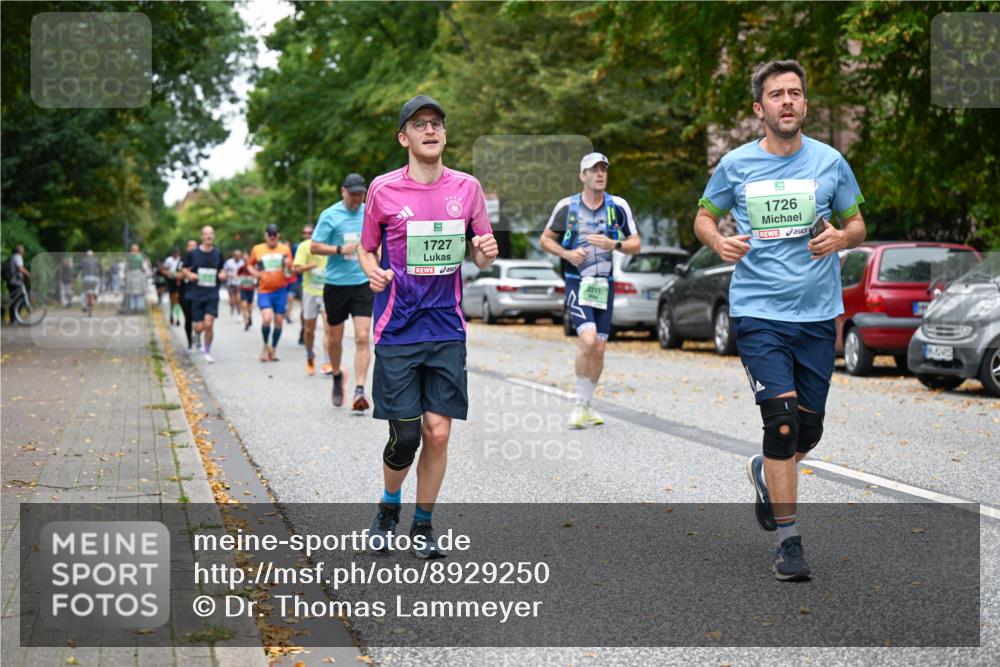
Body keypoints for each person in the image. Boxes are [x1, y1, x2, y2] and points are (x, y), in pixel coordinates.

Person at [694, 60, 866, 582]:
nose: (786, 101)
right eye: (776, 94)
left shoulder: (831, 162)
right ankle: (790, 544)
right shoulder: (737, 164)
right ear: (759, 108)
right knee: (782, 422)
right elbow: (703, 215)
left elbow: (857, 222)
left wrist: (843, 237)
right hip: (757, 311)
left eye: (795, 93)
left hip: (817, 316)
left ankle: (766, 474)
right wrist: (717, 239)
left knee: (806, 431)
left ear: (805, 104)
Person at [358, 95, 498, 558]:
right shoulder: (382, 189)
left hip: (446, 327)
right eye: (419, 124)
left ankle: (422, 525)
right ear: (404, 138)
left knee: (438, 431)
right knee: (406, 436)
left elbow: (478, 250)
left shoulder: (468, 188)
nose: (430, 130)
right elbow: (366, 248)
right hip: (397, 328)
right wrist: (372, 270)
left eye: (437, 123)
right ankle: (387, 506)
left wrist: (485, 252)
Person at [540, 152, 640, 429]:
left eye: (603, 170)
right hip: (577, 282)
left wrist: (613, 245)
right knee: (588, 339)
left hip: (604, 285)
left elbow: (636, 243)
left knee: (600, 347)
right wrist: (567, 253)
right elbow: (546, 239)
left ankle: (586, 403)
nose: (600, 174)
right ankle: (579, 405)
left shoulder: (617, 206)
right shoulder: (567, 207)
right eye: (593, 170)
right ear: (582, 175)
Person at [311, 173, 373, 406]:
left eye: (360, 194)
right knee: (334, 340)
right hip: (336, 285)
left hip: (362, 283)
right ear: (343, 191)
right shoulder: (330, 215)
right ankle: (337, 375)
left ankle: (359, 390)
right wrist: (339, 249)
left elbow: (377, 242)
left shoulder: (369, 213)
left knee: (362, 336)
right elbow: (315, 247)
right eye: (353, 194)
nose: (357, 198)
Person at [293, 224, 334, 376]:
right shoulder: (304, 247)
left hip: (326, 292)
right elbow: (296, 269)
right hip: (309, 291)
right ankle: (310, 355)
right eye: (306, 233)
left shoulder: (329, 245)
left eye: (311, 232)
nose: (308, 234)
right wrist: (311, 265)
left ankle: (327, 361)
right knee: (309, 329)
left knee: (329, 327)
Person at [248, 224, 294, 361]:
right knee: (267, 318)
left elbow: (290, 268)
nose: (272, 237)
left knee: (279, 322)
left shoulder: (285, 249)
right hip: (264, 290)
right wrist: (256, 273)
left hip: (280, 290)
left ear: (278, 235)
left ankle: (273, 349)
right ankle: (265, 346)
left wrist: (288, 264)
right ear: (265, 235)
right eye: (270, 234)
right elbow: (249, 264)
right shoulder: (257, 249)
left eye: (274, 235)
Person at [181, 226, 226, 364]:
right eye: (206, 234)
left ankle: (207, 351)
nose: (208, 236)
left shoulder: (218, 253)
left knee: (209, 323)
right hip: (196, 294)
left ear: (214, 236)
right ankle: (197, 334)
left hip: (212, 293)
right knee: (199, 326)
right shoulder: (193, 254)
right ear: (201, 236)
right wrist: (190, 274)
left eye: (211, 234)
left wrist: (223, 274)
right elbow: (183, 268)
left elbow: (222, 269)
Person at [4, 244, 31, 323]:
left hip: (11, 281)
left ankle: (13, 319)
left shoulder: (13, 256)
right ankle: (15, 318)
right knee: (19, 300)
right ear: (20, 251)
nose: (23, 251)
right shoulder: (18, 257)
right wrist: (28, 274)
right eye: (22, 250)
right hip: (15, 282)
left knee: (14, 300)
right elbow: (20, 268)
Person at [179, 239, 198, 349]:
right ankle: (190, 341)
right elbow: (177, 275)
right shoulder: (182, 260)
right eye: (190, 246)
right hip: (185, 292)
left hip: (198, 292)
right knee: (188, 318)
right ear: (187, 248)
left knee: (198, 317)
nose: (192, 248)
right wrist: (187, 273)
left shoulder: (201, 259)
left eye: (194, 245)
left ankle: (198, 335)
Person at [124, 243, 149, 313]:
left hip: (130, 274)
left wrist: (125, 275)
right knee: (140, 292)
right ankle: (139, 307)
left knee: (132, 292)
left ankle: (133, 307)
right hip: (139, 274)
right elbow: (145, 266)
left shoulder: (128, 257)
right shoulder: (141, 256)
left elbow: (126, 267)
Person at [236, 252, 256, 331]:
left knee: (249, 307)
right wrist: (241, 279)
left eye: (247, 259)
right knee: (244, 305)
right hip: (243, 289)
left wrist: (254, 279)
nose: (245, 261)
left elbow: (256, 275)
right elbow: (237, 275)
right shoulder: (241, 268)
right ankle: (246, 322)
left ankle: (249, 316)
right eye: (244, 260)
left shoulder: (253, 268)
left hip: (251, 289)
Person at [223, 249, 245, 321]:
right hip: (231, 283)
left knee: (239, 299)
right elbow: (224, 271)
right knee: (232, 299)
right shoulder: (229, 262)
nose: (238, 257)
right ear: (234, 256)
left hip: (239, 283)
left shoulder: (242, 263)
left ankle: (239, 314)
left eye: (239, 255)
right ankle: (232, 306)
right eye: (236, 255)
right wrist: (230, 276)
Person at [163, 247, 183, 325]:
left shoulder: (180, 260)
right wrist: (168, 273)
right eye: (174, 254)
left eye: (177, 254)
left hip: (178, 281)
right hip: (171, 281)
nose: (176, 255)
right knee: (172, 300)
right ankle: (171, 315)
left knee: (177, 301)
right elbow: (164, 269)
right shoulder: (168, 260)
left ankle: (177, 318)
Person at [80, 250, 101, 316]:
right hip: (95, 277)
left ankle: (84, 306)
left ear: (86, 255)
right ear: (93, 255)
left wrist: (75, 275)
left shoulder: (83, 260)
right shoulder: (96, 260)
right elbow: (101, 269)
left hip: (86, 278)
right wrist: (102, 275)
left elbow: (79, 268)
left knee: (83, 292)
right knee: (97, 286)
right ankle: (95, 294)